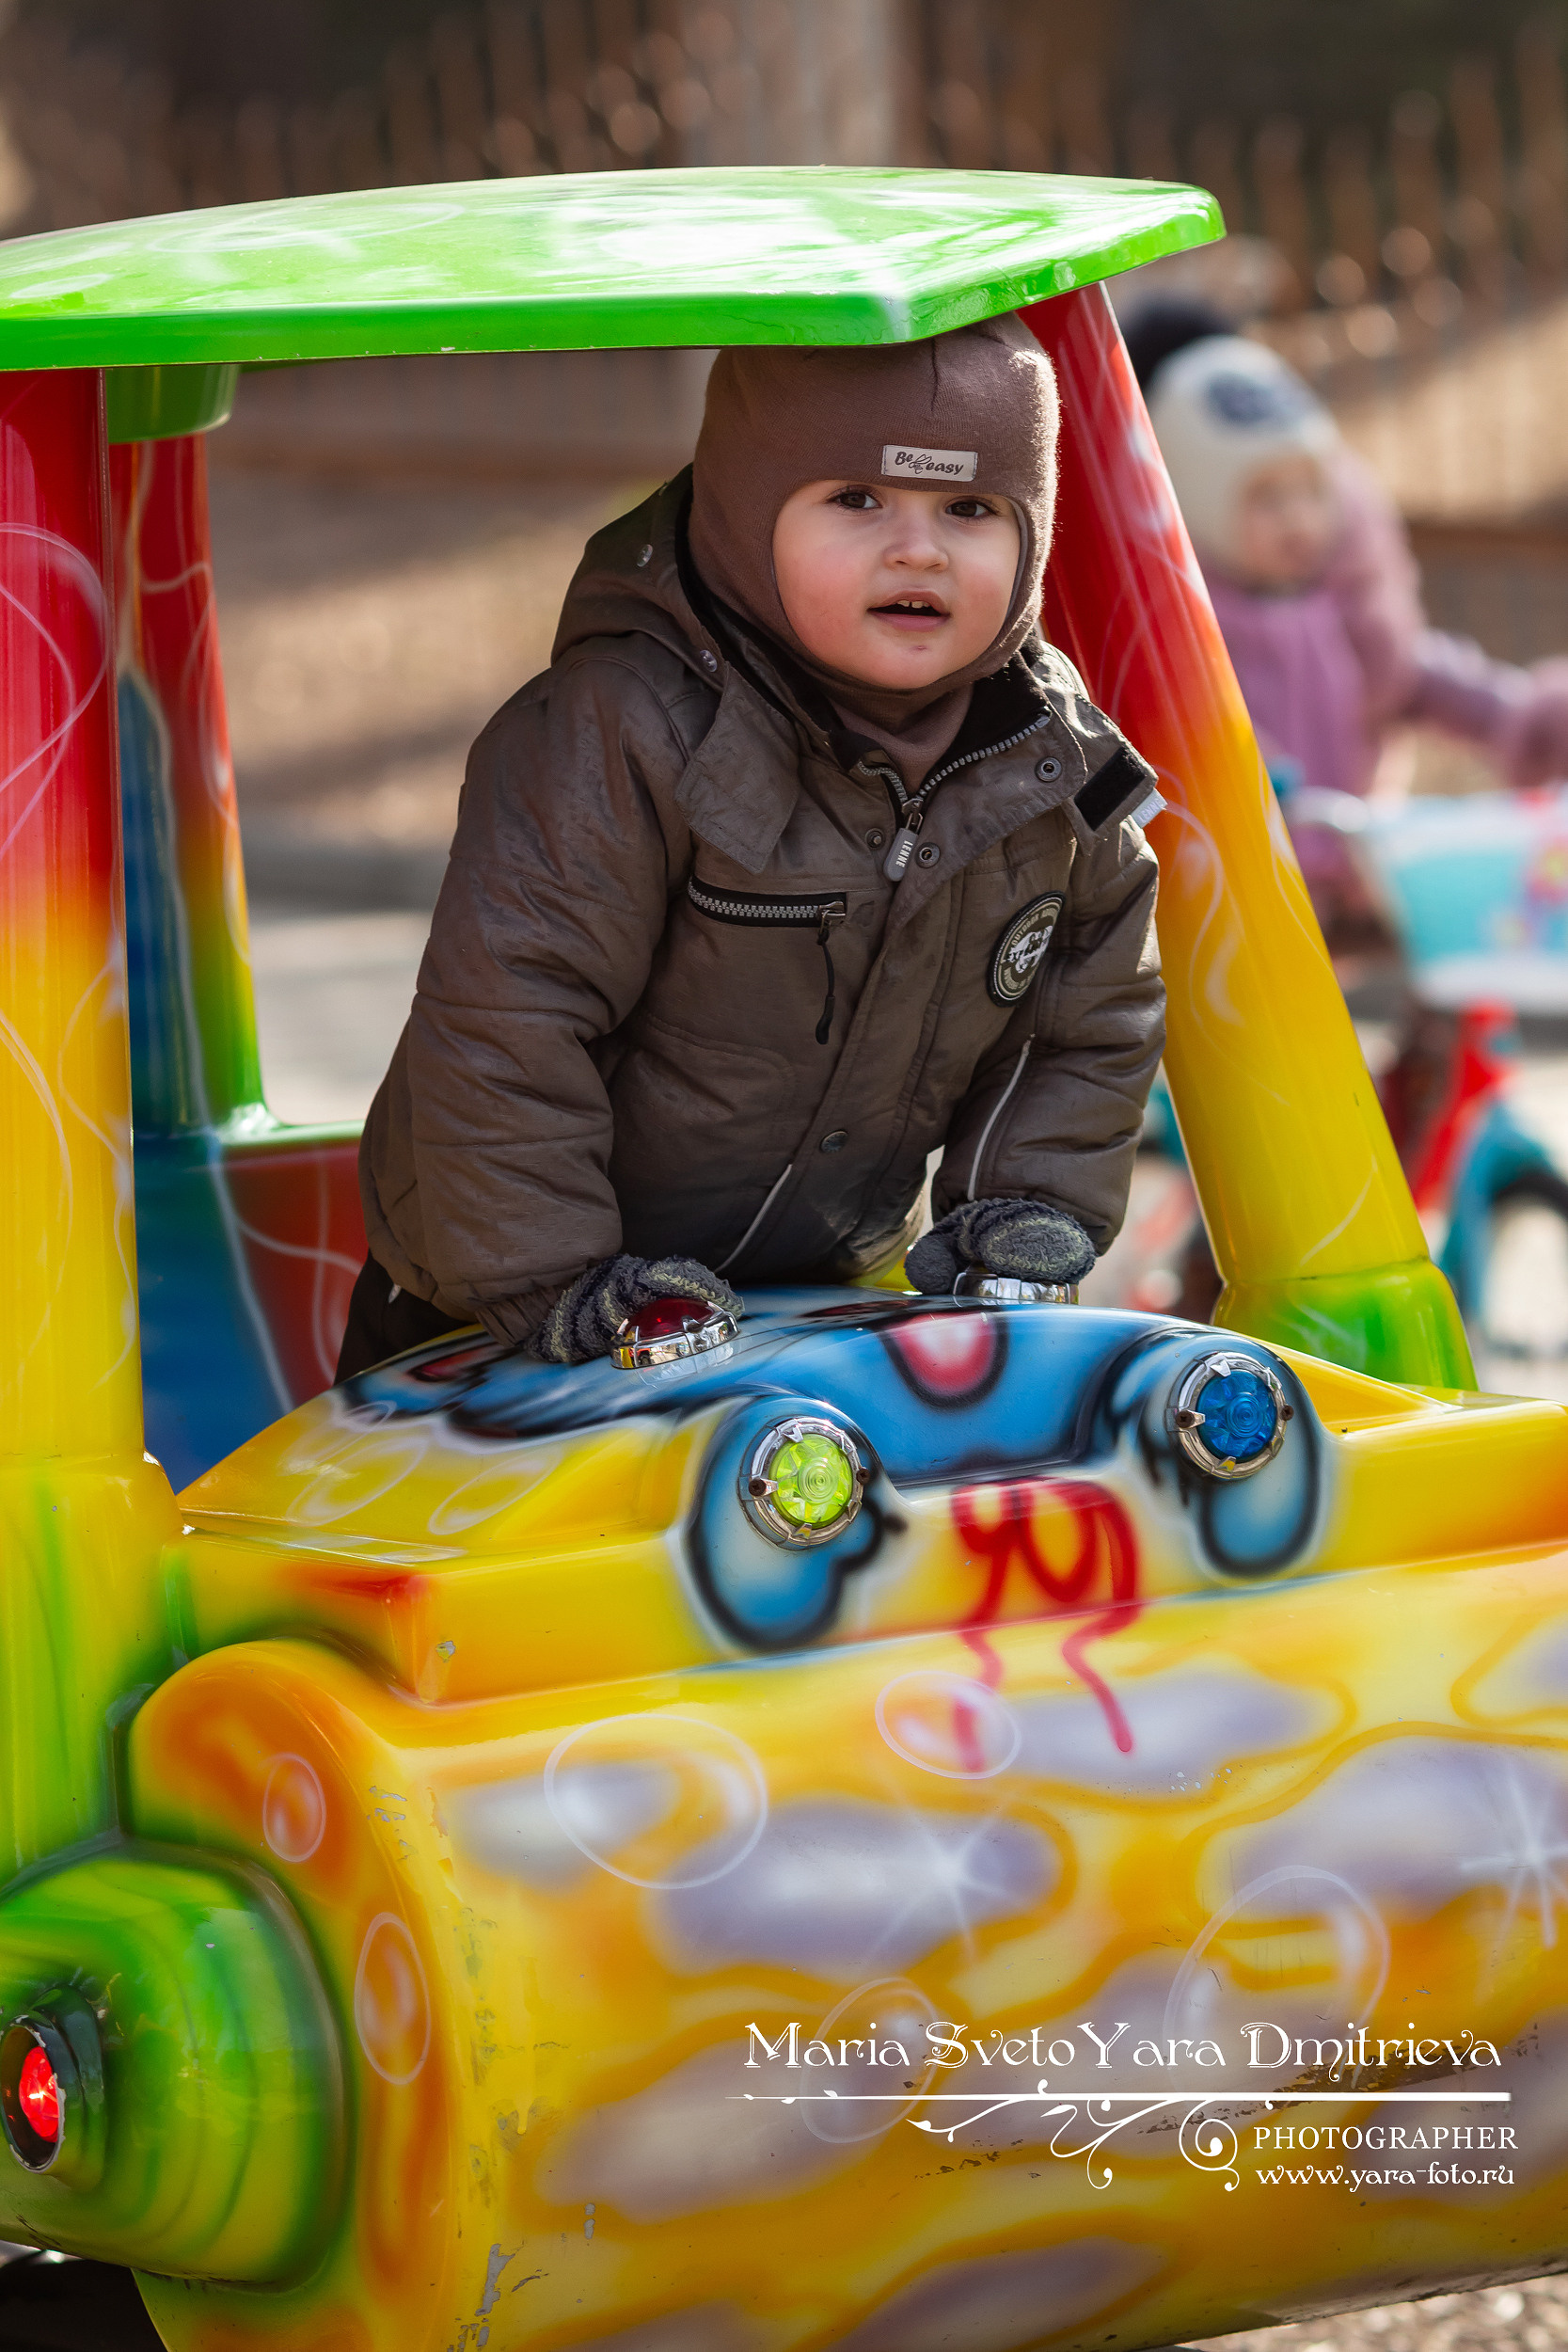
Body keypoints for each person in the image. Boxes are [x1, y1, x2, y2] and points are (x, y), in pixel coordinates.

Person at [337, 318, 1166, 1377]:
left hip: (806, 1299)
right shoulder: (626, 730)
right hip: (502, 1320)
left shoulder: (1047, 762)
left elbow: (1086, 1008)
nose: (917, 549)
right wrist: (549, 1284)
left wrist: (1024, 1208)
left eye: (969, 509)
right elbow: (511, 1014)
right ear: (739, 515)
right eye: (854, 500)